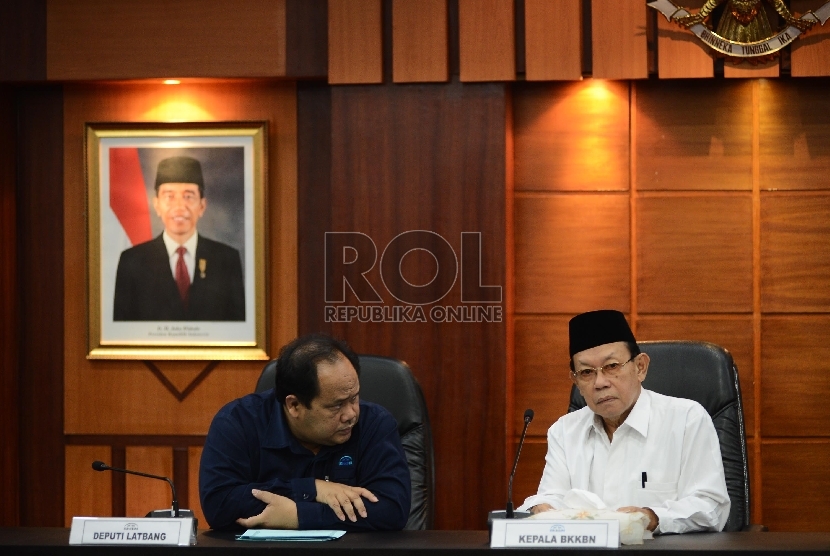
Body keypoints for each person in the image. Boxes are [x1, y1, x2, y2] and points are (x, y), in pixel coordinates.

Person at [518, 310, 730, 534]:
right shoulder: (564, 431)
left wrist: (653, 517)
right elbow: (551, 497)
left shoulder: (687, 419)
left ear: (640, 367)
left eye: (612, 366)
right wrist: (540, 508)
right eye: (587, 372)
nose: (600, 383)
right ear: (576, 382)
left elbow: (711, 507)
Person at [199, 334, 412, 531]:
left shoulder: (375, 424)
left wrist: (300, 515)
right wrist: (312, 489)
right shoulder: (238, 423)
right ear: (294, 406)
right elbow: (219, 504)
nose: (351, 414)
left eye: (354, 398)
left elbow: (392, 510)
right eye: (336, 405)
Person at [113, 155, 245, 321]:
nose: (179, 207)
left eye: (188, 196)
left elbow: (238, 327)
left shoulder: (226, 259)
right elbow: (122, 330)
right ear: (157, 205)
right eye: (169, 196)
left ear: (202, 206)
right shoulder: (132, 261)